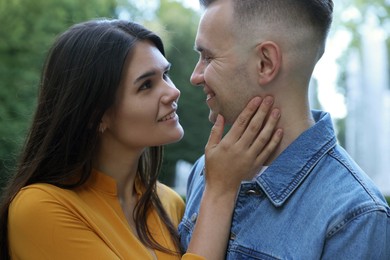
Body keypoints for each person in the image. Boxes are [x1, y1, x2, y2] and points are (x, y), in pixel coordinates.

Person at [0, 19, 283, 259]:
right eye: (146, 85)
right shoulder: (39, 209)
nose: (173, 92)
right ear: (96, 114)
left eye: (166, 74)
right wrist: (220, 189)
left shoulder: (169, 202)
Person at [179, 0, 390, 259]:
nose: (195, 75)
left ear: (265, 63)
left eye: (208, 57)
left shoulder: (355, 216)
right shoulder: (205, 172)